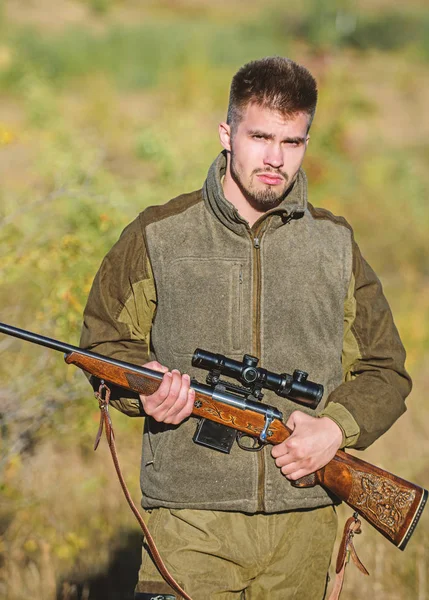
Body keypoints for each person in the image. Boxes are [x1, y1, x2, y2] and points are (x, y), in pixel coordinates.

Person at [80, 57, 411, 599]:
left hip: (302, 527)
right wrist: (146, 390)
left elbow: (385, 369)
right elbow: (102, 342)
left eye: (293, 142)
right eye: (260, 136)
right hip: (189, 524)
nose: (276, 159)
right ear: (227, 133)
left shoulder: (335, 244)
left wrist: (335, 430)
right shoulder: (160, 233)